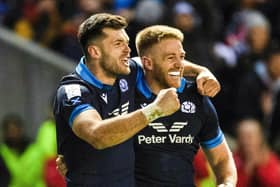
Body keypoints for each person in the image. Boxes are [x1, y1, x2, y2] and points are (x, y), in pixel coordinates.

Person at [56, 23, 235, 186]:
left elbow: (221, 160)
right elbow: (98, 133)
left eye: (181, 56)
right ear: (147, 63)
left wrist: (226, 183)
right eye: (170, 57)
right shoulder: (124, 91)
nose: (179, 64)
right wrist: (76, 157)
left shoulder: (196, 97)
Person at [234, 118, 280, 187]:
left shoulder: (270, 160)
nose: (245, 141)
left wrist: (259, 168)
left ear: (259, 138)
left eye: (249, 137)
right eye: (242, 137)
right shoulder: (234, 159)